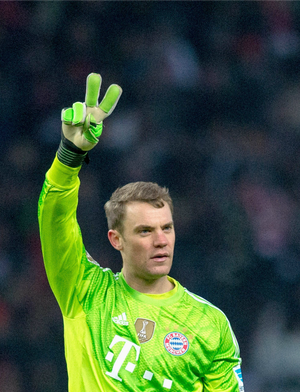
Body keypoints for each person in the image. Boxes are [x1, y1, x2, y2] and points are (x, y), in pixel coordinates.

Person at [38, 72, 245, 391]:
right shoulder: (85, 291)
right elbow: (54, 219)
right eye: (145, 231)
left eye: (167, 228)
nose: (161, 240)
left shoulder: (209, 323)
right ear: (116, 239)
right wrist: (70, 155)